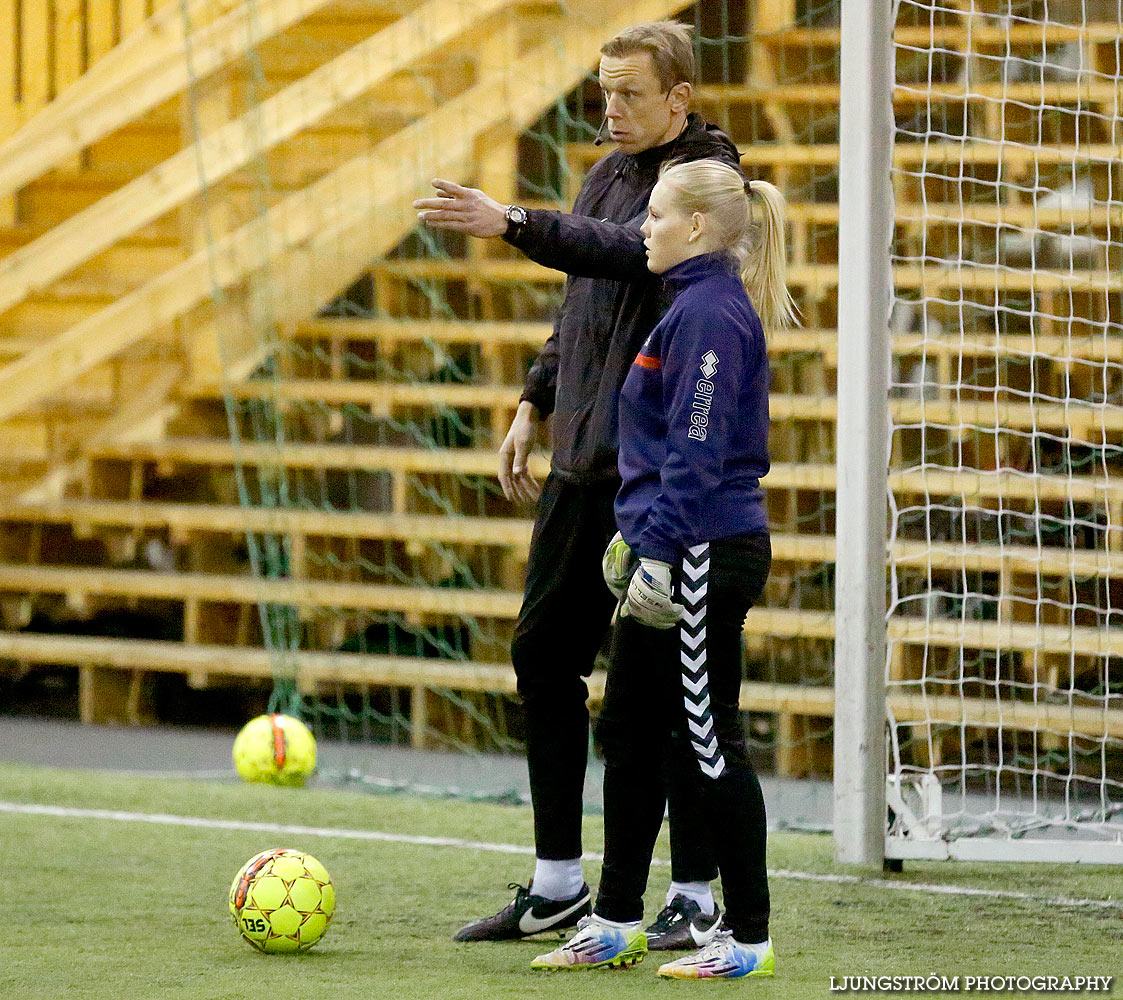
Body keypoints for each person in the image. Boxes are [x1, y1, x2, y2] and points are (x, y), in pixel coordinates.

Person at [414, 22, 741, 948]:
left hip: (653, 483)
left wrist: (511, 220)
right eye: (603, 92)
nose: (610, 109)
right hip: (579, 467)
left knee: (661, 699)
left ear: (679, 99)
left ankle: (696, 889)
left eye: (628, 94)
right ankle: (557, 882)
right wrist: (534, 398)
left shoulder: (704, 174)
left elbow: (615, 251)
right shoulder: (608, 166)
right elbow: (582, 297)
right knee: (540, 657)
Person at [529, 158, 796, 979]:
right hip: (674, 546)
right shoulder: (687, 305)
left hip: (700, 553)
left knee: (707, 743)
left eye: (653, 216)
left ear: (697, 228)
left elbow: (696, 450)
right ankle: (613, 919)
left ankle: (746, 937)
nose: (642, 228)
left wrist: (657, 551)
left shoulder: (711, 314)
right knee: (629, 734)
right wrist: (638, 537)